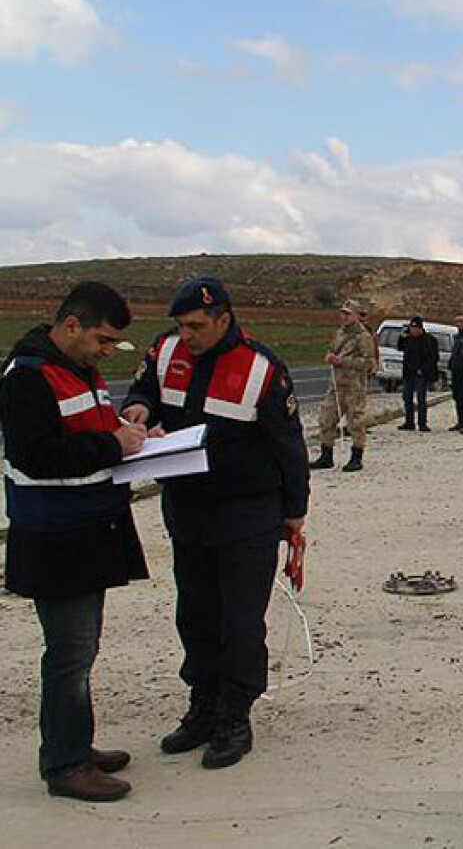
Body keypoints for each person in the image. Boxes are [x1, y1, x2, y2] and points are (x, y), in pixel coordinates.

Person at [121, 276, 310, 770]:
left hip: (247, 511)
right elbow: (144, 390)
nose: (187, 336)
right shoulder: (164, 351)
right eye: (181, 326)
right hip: (188, 505)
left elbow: (288, 445)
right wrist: (137, 408)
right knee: (197, 611)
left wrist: (295, 512)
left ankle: (235, 714)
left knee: (240, 617)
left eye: (197, 327)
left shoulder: (261, 368)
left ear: (224, 319)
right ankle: (202, 705)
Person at [1, 282, 149, 802]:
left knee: (82, 647)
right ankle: (65, 764)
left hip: (88, 527)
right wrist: (112, 443)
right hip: (55, 536)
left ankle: (76, 746)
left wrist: (121, 424)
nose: (108, 351)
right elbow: (36, 455)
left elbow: (79, 430)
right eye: (103, 340)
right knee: (68, 652)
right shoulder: (27, 379)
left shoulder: (77, 369)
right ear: (71, 327)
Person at [310, 299, 375, 472]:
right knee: (326, 419)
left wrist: (343, 361)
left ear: (356, 315)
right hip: (337, 384)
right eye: (343, 313)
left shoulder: (363, 336)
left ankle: (356, 457)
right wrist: (330, 356)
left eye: (348, 314)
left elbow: (368, 362)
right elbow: (333, 349)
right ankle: (326, 455)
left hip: (354, 385)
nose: (344, 317)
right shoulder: (339, 333)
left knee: (356, 422)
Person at [396, 315, 439, 431]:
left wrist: (423, 369)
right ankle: (409, 422)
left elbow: (433, 358)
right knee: (407, 398)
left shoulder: (429, 340)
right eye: (411, 328)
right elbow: (400, 348)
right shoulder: (408, 339)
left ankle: (422, 423)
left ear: (420, 328)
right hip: (408, 372)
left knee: (421, 398)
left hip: (421, 373)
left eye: (415, 328)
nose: (413, 330)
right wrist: (402, 337)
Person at [447, 314, 463, 431]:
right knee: (458, 397)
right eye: (457, 322)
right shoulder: (456, 337)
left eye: (461, 321)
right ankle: (460, 421)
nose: (458, 324)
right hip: (456, 371)